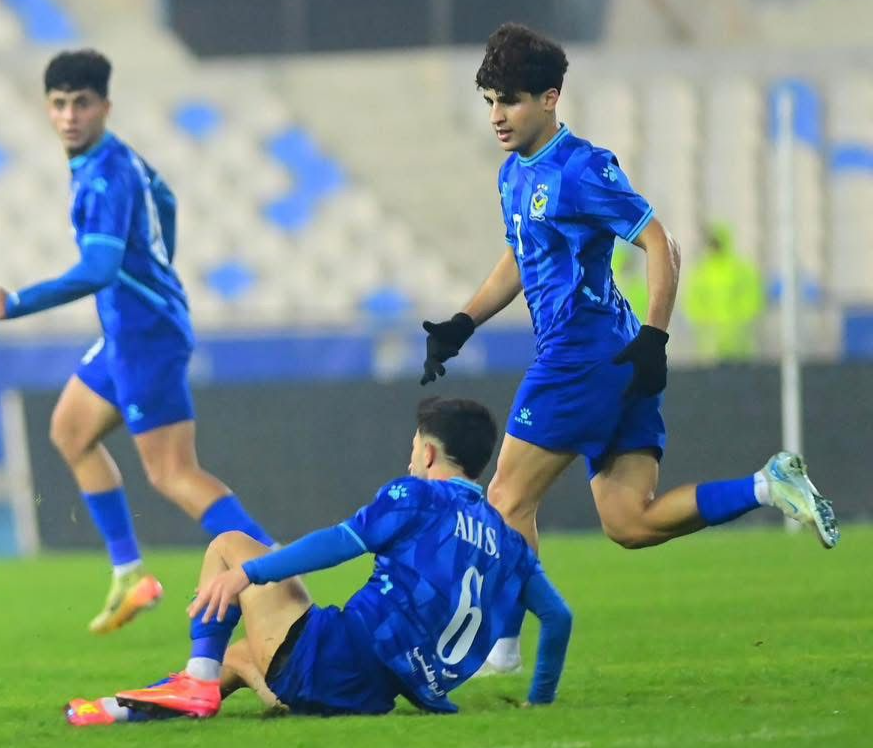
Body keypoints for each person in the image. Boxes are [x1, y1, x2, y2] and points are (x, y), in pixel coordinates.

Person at [419, 23, 838, 674]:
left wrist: (656, 335)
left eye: (513, 100)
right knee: (630, 522)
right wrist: (463, 322)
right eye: (491, 102)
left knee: (506, 500)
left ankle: (501, 648)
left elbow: (660, 243)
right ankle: (767, 485)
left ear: (552, 98)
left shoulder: (582, 168)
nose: (498, 116)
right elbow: (520, 255)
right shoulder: (513, 174)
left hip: (581, 354)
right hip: (607, 357)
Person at [0, 49, 274, 634]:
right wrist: (159, 269)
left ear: (104, 106)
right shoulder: (115, 161)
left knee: (172, 473)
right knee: (70, 431)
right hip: (131, 330)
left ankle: (272, 565)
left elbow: (100, 268)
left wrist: (16, 303)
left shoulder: (106, 176)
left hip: (145, 336)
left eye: (81, 103)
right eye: (58, 104)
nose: (69, 115)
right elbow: (168, 202)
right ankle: (130, 572)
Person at [64, 397, 572, 725]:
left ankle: (195, 682)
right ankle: (116, 710)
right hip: (374, 693)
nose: (410, 460)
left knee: (231, 544)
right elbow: (557, 618)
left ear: (432, 456)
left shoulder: (418, 496)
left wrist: (249, 572)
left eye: (415, 450)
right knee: (239, 658)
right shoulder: (507, 542)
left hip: (334, 661)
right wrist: (540, 700)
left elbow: (339, 541)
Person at [684, 222, 765, 362]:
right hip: (710, 341)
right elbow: (693, 300)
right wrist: (703, 322)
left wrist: (740, 321)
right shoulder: (701, 271)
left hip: (738, 340)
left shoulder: (739, 268)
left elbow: (753, 296)